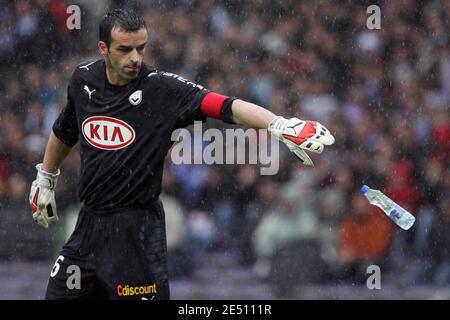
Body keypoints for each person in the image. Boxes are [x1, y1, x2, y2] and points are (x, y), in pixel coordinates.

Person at [28, 9, 335, 300]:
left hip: (138, 233)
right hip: (89, 227)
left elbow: (225, 105)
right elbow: (65, 129)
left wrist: (278, 124)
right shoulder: (83, 79)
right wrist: (46, 176)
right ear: (103, 48)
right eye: (125, 49)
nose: (135, 58)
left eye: (141, 48)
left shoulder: (161, 88)